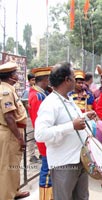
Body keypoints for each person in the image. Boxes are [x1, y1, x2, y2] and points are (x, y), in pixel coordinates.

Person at [35, 62, 97, 199]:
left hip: (79, 159)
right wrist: (71, 126)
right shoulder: (50, 103)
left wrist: (85, 117)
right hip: (63, 163)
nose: (76, 80)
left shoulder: (68, 99)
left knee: (81, 197)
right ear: (67, 80)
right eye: (74, 77)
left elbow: (71, 120)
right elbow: (40, 134)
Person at [0, 62, 30, 199]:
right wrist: (19, 138)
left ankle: (14, 190)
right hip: (10, 133)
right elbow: (9, 117)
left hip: (13, 132)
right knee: (7, 167)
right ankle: (6, 195)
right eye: (15, 73)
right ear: (11, 76)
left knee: (14, 165)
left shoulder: (9, 88)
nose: (17, 76)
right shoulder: (5, 91)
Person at [28, 66, 53, 200]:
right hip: (45, 137)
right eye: (48, 78)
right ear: (45, 79)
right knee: (47, 169)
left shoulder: (40, 93)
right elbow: (40, 120)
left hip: (45, 135)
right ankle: (45, 197)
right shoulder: (37, 96)